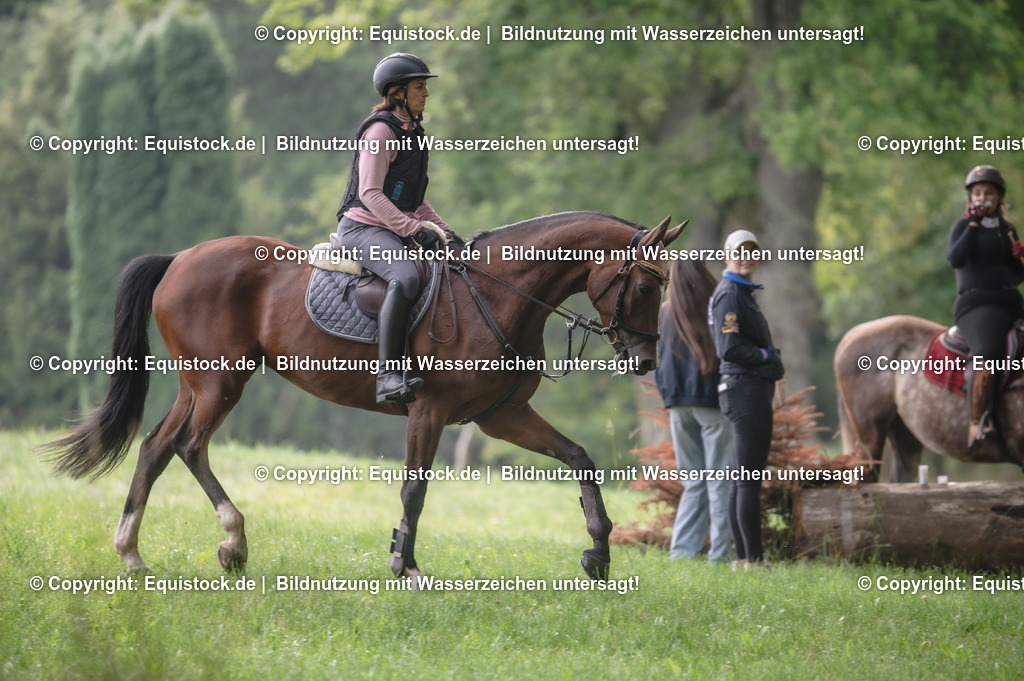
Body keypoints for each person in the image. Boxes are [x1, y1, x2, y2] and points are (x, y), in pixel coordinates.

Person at [335, 53, 455, 404]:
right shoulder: (380, 131)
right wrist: (413, 229)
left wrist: (446, 232)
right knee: (406, 276)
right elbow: (369, 193)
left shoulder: (413, 132)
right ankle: (387, 374)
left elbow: (416, 200)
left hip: (393, 228)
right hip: (361, 229)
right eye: (420, 87)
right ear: (398, 93)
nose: (426, 94)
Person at [709, 230, 784, 570]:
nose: (746, 257)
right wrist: (768, 355)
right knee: (749, 478)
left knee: (744, 477)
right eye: (739, 251)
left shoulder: (743, 292)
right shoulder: (729, 294)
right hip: (744, 388)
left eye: (752, 251)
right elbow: (729, 348)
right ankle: (753, 560)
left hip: (748, 388)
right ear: (727, 255)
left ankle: (744, 558)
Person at [655, 260, 734, 563]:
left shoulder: (663, 313)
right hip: (712, 403)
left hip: (677, 405)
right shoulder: (714, 308)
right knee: (719, 479)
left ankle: (682, 553)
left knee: (693, 482)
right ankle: (720, 554)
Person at [947, 165, 1024, 445]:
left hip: (1011, 301)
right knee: (988, 354)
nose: (982, 197)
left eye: (988, 193)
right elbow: (955, 259)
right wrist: (973, 224)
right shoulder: (962, 226)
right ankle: (977, 421)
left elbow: (1017, 276)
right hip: (978, 303)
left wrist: (1020, 258)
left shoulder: (1007, 229)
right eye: (977, 193)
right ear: (970, 198)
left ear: (998, 198)